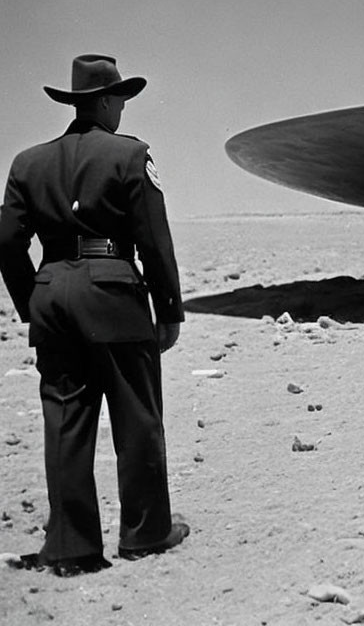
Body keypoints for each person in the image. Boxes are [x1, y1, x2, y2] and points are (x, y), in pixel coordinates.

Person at [0, 54, 188, 575]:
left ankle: (71, 547)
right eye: (121, 100)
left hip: (52, 298)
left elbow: (7, 242)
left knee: (65, 422)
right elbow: (153, 238)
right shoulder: (130, 156)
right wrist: (169, 308)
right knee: (137, 416)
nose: (123, 109)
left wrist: (32, 300)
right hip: (114, 295)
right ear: (105, 101)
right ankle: (146, 533)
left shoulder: (27, 162)